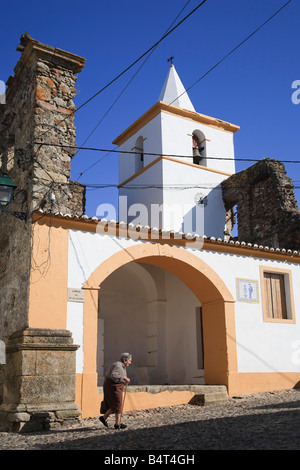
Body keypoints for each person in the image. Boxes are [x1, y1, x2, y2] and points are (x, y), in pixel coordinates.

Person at [99, 353, 132, 429]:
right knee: (118, 403)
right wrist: (124, 378)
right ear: (125, 360)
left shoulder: (122, 366)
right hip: (112, 386)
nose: (130, 363)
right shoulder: (118, 365)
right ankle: (115, 423)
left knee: (117, 403)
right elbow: (114, 375)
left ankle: (115, 422)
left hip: (117, 386)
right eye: (129, 361)